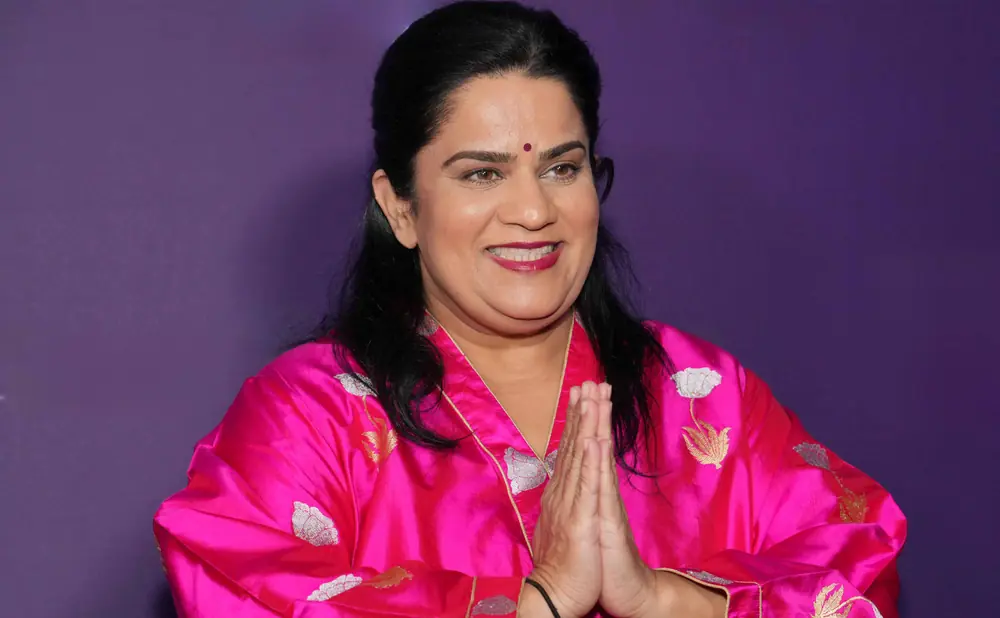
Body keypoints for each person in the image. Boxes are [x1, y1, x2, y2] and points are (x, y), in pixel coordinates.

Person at [153, 2, 906, 616]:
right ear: (402, 208)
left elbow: (859, 565)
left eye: (562, 167)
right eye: (482, 174)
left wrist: (661, 601)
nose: (533, 210)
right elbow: (239, 582)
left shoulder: (701, 389)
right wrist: (539, 604)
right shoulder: (307, 414)